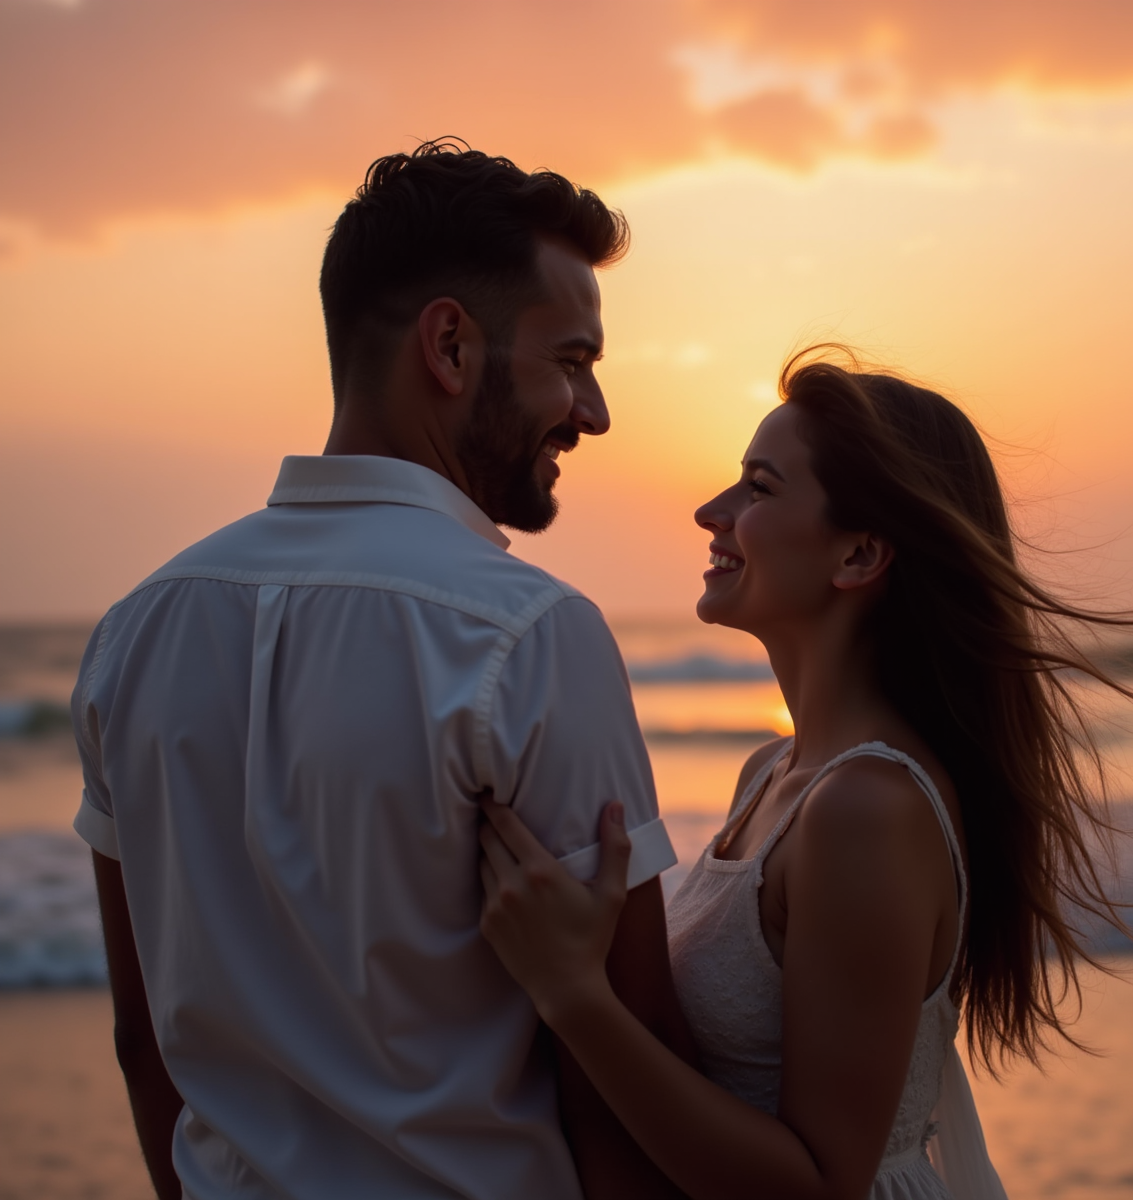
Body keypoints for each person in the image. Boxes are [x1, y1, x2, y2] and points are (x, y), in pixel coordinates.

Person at [71, 141, 691, 1200]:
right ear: (450, 345)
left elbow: (144, 1041)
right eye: (575, 361)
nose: (595, 415)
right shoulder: (530, 637)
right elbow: (619, 1081)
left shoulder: (135, 631)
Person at [479, 351, 1133, 1199]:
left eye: (759, 489)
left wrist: (573, 997)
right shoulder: (773, 772)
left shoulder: (866, 809)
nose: (710, 511)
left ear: (859, 556)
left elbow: (817, 1187)